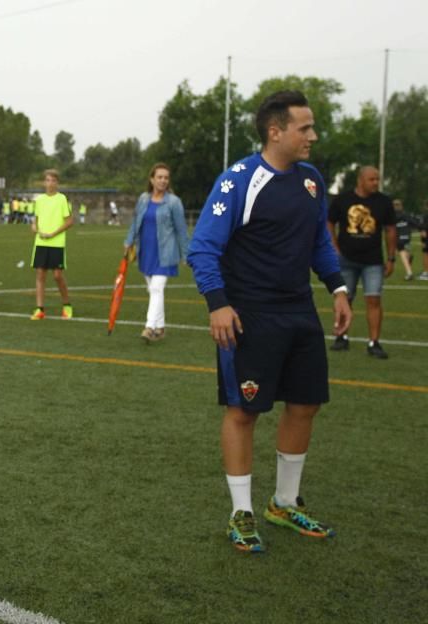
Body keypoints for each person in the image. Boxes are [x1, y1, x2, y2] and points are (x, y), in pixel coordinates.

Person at [187, 90, 352, 554]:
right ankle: (241, 513)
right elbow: (202, 248)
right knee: (244, 411)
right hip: (249, 315)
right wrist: (218, 304)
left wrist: (337, 287)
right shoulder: (239, 179)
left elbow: (318, 239)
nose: (313, 136)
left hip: (299, 310)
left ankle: (283, 502)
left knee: (305, 404)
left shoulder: (311, 181)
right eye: (305, 128)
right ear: (275, 131)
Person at [326, 165, 397, 358]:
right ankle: (342, 337)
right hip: (346, 259)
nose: (376, 183)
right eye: (372, 179)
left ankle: (374, 342)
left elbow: (390, 229)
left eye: (377, 179)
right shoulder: (343, 200)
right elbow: (329, 222)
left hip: (373, 261)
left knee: (374, 299)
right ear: (360, 180)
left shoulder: (384, 202)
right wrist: (334, 247)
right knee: (344, 299)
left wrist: (391, 257)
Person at [124, 162, 189, 343]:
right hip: (146, 251)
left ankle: (149, 327)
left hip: (166, 252)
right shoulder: (144, 199)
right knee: (153, 290)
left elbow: (181, 230)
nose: (163, 181)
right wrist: (128, 242)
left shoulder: (174, 202)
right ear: (152, 179)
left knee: (156, 288)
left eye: (166, 178)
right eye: (159, 177)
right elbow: (136, 222)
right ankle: (160, 327)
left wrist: (186, 255)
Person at [30, 170, 74, 320]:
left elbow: (69, 221)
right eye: (47, 180)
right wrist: (35, 227)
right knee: (40, 274)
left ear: (57, 183)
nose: (50, 183)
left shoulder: (62, 199)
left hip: (57, 243)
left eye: (53, 181)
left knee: (57, 275)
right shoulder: (40, 200)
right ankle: (39, 309)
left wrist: (53, 233)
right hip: (41, 243)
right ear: (44, 182)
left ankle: (67, 305)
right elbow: (35, 220)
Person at [393, 199, 414, 280]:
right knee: (403, 252)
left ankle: (409, 273)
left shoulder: (392, 216)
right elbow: (413, 222)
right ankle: (409, 257)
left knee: (401, 253)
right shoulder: (406, 214)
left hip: (398, 237)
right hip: (407, 237)